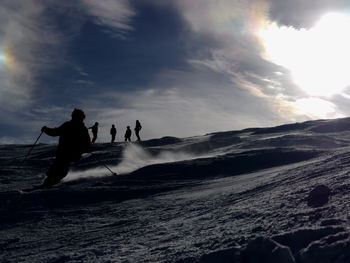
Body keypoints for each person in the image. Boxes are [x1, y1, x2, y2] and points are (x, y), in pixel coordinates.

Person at [38, 108, 91, 189]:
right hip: (68, 152)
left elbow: (55, 132)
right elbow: (56, 132)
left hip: (68, 152)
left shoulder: (71, 126)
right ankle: (50, 182)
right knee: (59, 166)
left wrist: (45, 129)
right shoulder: (81, 128)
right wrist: (46, 130)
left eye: (74, 116)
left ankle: (51, 182)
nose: (73, 117)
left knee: (60, 166)